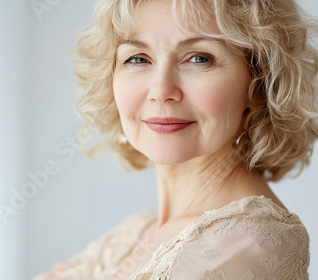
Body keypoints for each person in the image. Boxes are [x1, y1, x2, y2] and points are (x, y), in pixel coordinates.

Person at [34, 0, 318, 279]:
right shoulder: (131, 236)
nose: (161, 90)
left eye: (199, 58)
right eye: (138, 58)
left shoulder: (249, 243)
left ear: (259, 83)